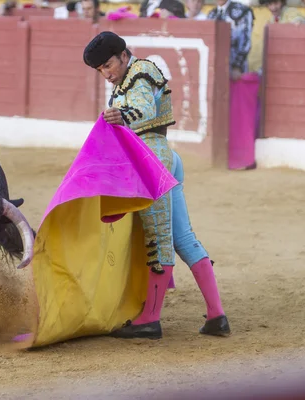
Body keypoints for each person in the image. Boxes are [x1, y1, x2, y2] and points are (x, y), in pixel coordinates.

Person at [82, 31, 231, 339]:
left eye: (108, 65)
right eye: (100, 70)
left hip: (152, 160)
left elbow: (145, 110)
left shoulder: (141, 71)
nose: (106, 73)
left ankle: (150, 319)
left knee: (158, 240)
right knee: (182, 238)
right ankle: (217, 316)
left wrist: (120, 115)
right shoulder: (128, 78)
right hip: (161, 155)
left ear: (124, 55)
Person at [207, 0, 254, 81]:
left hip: (235, 69)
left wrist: (237, 66)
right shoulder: (211, 14)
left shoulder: (243, 11)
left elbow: (246, 41)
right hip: (215, 69)